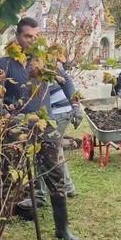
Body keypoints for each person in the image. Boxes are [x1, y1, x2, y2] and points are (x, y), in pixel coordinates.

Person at [0, 17, 80, 240]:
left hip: (46, 126)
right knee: (7, 178)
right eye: (27, 36)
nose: (32, 41)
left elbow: (67, 82)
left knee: (56, 177)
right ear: (17, 38)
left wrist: (76, 104)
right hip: (17, 129)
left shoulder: (46, 62)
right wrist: (4, 115)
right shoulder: (4, 64)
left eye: (36, 36)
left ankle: (63, 229)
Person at [18, 45, 81, 210]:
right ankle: (67, 187)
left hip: (59, 112)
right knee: (55, 150)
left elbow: (66, 81)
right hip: (59, 111)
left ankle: (40, 195)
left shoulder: (42, 63)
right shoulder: (25, 65)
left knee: (44, 151)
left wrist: (76, 106)